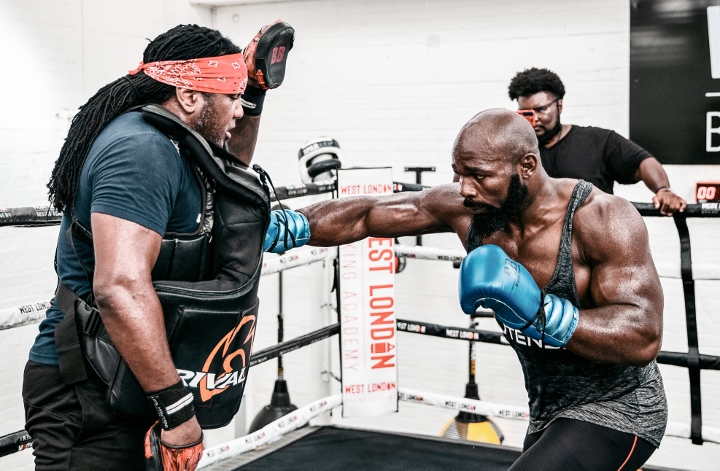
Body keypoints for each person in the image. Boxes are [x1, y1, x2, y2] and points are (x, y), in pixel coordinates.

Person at [291, 109, 668, 469]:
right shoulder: (469, 209)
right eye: (458, 174)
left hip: (622, 409)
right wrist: (285, 226)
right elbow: (367, 214)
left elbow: (643, 335)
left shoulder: (601, 218)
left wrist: (542, 314)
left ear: (527, 166)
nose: (465, 189)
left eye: (479, 176)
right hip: (549, 412)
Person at [23, 22, 294, 471]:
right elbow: (120, 287)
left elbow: (231, 168)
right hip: (87, 389)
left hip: (129, 372)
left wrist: (256, 92)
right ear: (189, 96)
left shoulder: (178, 142)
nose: (239, 113)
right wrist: (176, 408)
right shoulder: (142, 151)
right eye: (231, 98)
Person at [507, 67, 686, 216]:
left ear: (559, 106)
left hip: (592, 248)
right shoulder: (515, 150)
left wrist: (662, 190)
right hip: (535, 250)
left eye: (541, 109)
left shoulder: (598, 141)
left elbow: (643, 162)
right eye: (526, 113)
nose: (535, 119)